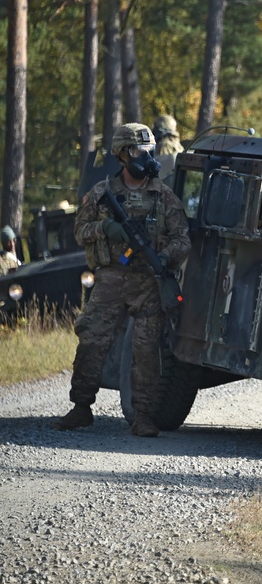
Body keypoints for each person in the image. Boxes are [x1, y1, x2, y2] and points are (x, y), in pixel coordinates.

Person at [53, 123, 191, 437]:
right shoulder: (103, 194)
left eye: (150, 151)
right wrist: (105, 229)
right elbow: (80, 231)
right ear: (122, 154)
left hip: (147, 283)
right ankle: (81, 407)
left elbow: (182, 239)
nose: (146, 157)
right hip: (111, 279)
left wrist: (163, 257)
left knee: (146, 351)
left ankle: (143, 416)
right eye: (139, 151)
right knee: (92, 339)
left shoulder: (163, 196)